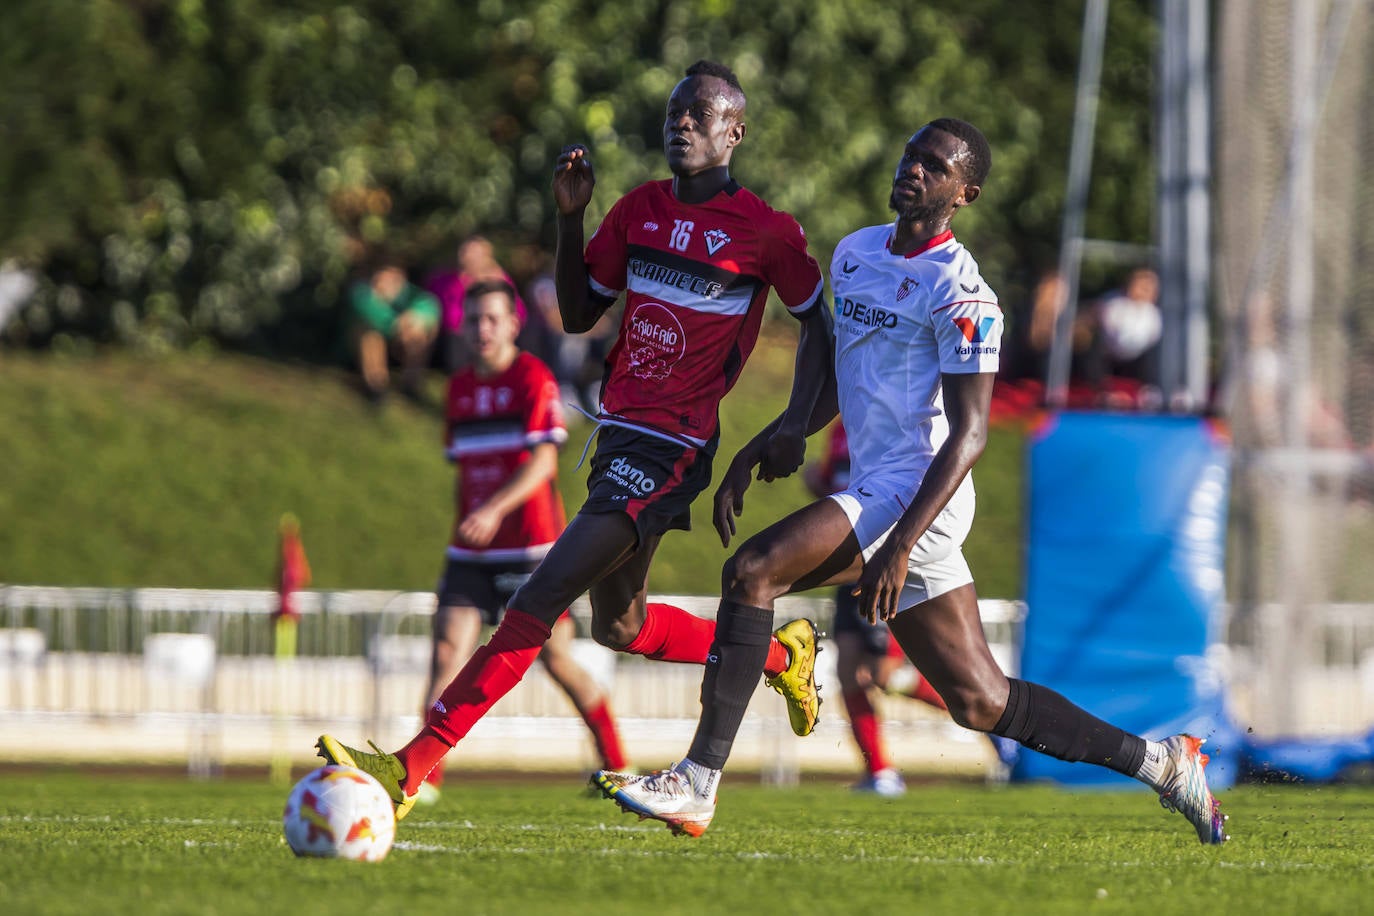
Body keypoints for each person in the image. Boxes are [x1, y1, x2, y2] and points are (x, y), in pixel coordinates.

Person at [593, 118, 1229, 846]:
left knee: (754, 570)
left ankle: (697, 783)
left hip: (918, 497)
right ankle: (1163, 762)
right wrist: (786, 429)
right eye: (910, 155)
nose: (914, 169)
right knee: (980, 700)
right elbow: (840, 363)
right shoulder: (857, 251)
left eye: (934, 165)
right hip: (885, 493)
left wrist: (900, 546)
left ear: (966, 193)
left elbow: (970, 434)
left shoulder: (965, 294)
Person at [316, 59, 832, 819]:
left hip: (674, 447)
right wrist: (569, 220)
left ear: (735, 132)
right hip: (618, 440)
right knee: (618, 624)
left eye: (700, 113)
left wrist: (792, 426)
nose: (681, 123)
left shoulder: (766, 232)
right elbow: (581, 312)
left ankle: (410, 766)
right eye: (673, 113)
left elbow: (818, 324)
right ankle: (783, 654)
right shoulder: (636, 211)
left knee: (540, 594)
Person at [417, 279, 629, 803]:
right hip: (471, 552)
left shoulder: (533, 378)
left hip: (533, 549)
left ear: (513, 324)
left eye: (492, 319)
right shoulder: (459, 388)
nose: (481, 329)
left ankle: (616, 763)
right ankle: (423, 776)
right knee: (446, 652)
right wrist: (477, 516)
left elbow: (544, 462)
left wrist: (492, 509)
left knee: (555, 661)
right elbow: (469, 466)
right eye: (472, 320)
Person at [803, 422, 1016, 796]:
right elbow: (833, 485)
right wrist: (816, 483)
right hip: (848, 560)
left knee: (883, 675)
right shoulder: (840, 428)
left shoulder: (893, 417)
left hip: (885, 555)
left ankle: (993, 725)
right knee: (849, 673)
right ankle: (881, 773)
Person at [426, 235, 526, 374]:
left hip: (490, 335)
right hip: (453, 335)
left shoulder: (499, 281)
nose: (468, 257)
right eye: (465, 252)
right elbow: (434, 305)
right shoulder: (447, 280)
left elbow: (518, 311)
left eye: (474, 252)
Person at [347, 259, 440, 402]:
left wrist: (413, 318)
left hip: (399, 342)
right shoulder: (362, 292)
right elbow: (374, 315)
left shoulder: (410, 293)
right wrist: (399, 324)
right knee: (369, 334)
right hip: (356, 350)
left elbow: (431, 306)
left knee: (418, 332)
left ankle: (410, 384)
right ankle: (376, 384)